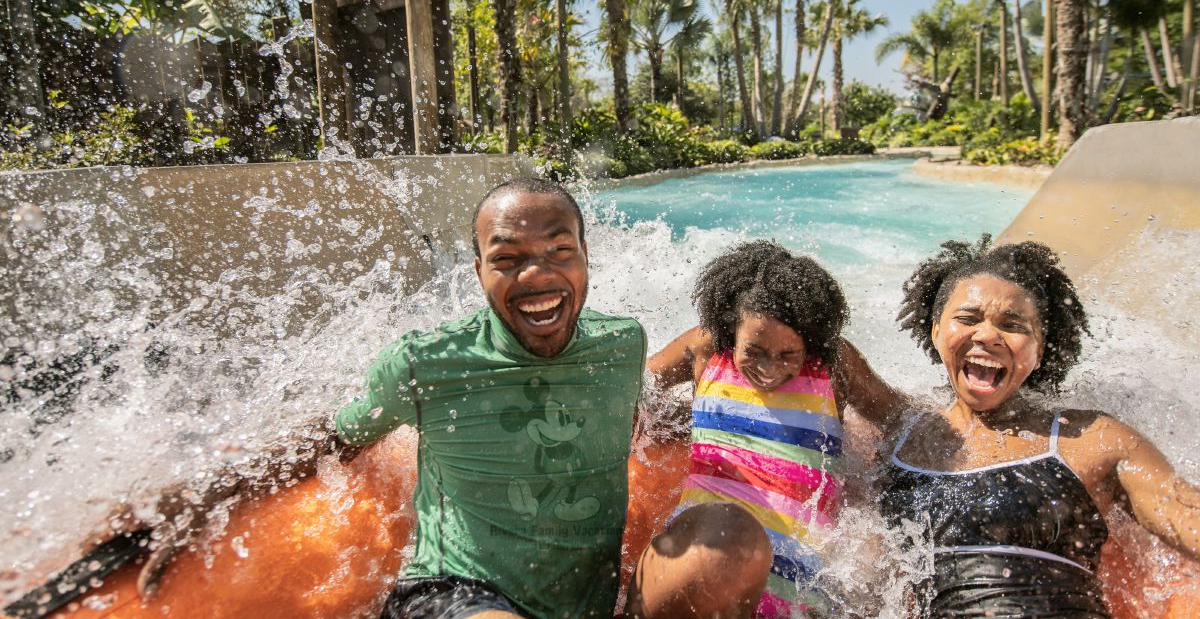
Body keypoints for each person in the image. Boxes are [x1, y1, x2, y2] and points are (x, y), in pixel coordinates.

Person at [88, 177, 648, 619]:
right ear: (479, 271)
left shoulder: (622, 344)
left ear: (585, 258)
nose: (536, 273)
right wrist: (210, 495)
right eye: (506, 259)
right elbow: (334, 437)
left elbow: (676, 379)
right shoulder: (426, 363)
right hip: (448, 595)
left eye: (559, 250)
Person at [838, 236, 1200, 618]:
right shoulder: (903, 427)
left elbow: (1181, 511)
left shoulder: (1091, 439)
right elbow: (825, 349)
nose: (987, 335)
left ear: (1040, 349)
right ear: (935, 331)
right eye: (967, 318)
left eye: (1012, 325)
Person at [627, 241, 850, 619]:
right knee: (722, 531)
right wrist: (693, 419)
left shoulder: (833, 365)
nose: (770, 367)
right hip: (699, 556)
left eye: (788, 355)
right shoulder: (707, 348)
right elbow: (634, 389)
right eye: (755, 351)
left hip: (795, 584)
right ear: (730, 328)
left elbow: (895, 415)